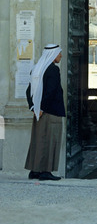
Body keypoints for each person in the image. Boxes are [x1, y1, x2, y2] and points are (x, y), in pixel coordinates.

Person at [25, 44, 65, 181]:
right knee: (50, 141)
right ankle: (45, 171)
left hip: (38, 113)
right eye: (59, 53)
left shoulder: (37, 69)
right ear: (53, 55)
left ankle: (34, 170)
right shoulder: (53, 70)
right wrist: (42, 108)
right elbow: (51, 92)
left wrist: (33, 107)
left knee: (38, 140)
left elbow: (28, 91)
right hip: (51, 112)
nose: (60, 56)